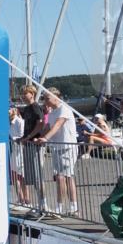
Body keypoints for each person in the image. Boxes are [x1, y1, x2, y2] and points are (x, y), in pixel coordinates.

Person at [35, 88, 78, 217]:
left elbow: (57, 125)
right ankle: (73, 206)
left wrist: (45, 138)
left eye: (47, 98)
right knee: (67, 177)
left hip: (67, 147)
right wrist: (38, 137)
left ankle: (60, 207)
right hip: (57, 148)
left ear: (56, 97)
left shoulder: (64, 109)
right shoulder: (53, 112)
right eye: (44, 98)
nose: (45, 100)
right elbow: (48, 128)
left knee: (61, 177)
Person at [18, 86, 46, 213]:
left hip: (35, 144)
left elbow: (40, 124)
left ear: (32, 94)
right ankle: (39, 204)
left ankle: (43, 204)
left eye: (26, 93)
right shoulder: (27, 109)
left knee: (37, 175)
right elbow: (26, 125)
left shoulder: (35, 107)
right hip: (28, 144)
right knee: (32, 177)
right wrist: (23, 137)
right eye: (23, 94)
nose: (23, 96)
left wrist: (29, 137)